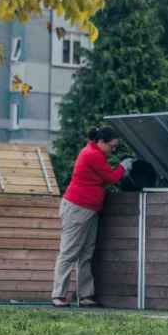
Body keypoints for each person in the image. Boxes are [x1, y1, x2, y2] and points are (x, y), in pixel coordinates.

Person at [52, 127, 132, 307]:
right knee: (69, 252)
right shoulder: (92, 155)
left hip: (89, 208)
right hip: (78, 207)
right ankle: (58, 295)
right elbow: (111, 177)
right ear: (101, 142)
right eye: (112, 146)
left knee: (86, 254)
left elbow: (102, 178)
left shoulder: (96, 153)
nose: (113, 149)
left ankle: (85, 296)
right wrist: (123, 166)